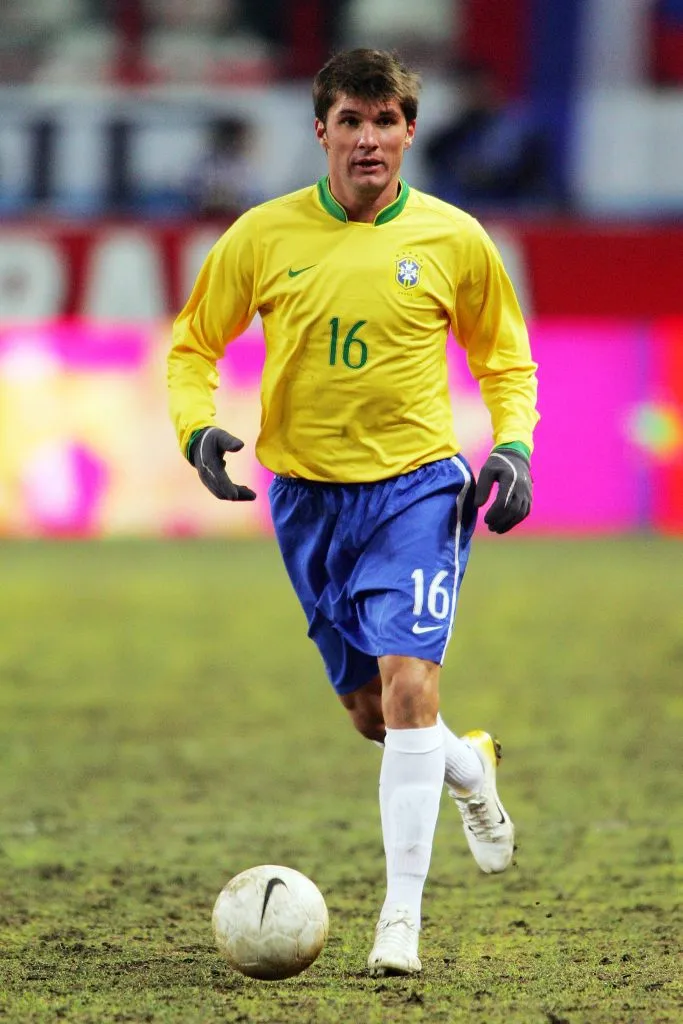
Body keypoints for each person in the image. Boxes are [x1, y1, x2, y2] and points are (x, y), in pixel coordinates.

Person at [167, 48, 538, 977]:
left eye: (386, 121)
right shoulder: (262, 235)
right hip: (305, 501)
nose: (369, 139)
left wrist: (515, 444)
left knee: (412, 690)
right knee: (377, 717)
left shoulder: (454, 239)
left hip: (417, 490)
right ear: (322, 129)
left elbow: (506, 360)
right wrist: (194, 429)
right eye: (352, 121)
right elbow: (191, 346)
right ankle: (468, 766)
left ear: (409, 131)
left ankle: (398, 926)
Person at [423, 60, 553, 211]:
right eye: (463, 90)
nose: (469, 96)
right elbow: (433, 161)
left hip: (509, 211)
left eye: (474, 88)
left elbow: (508, 171)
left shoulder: (516, 129)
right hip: (463, 210)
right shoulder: (451, 135)